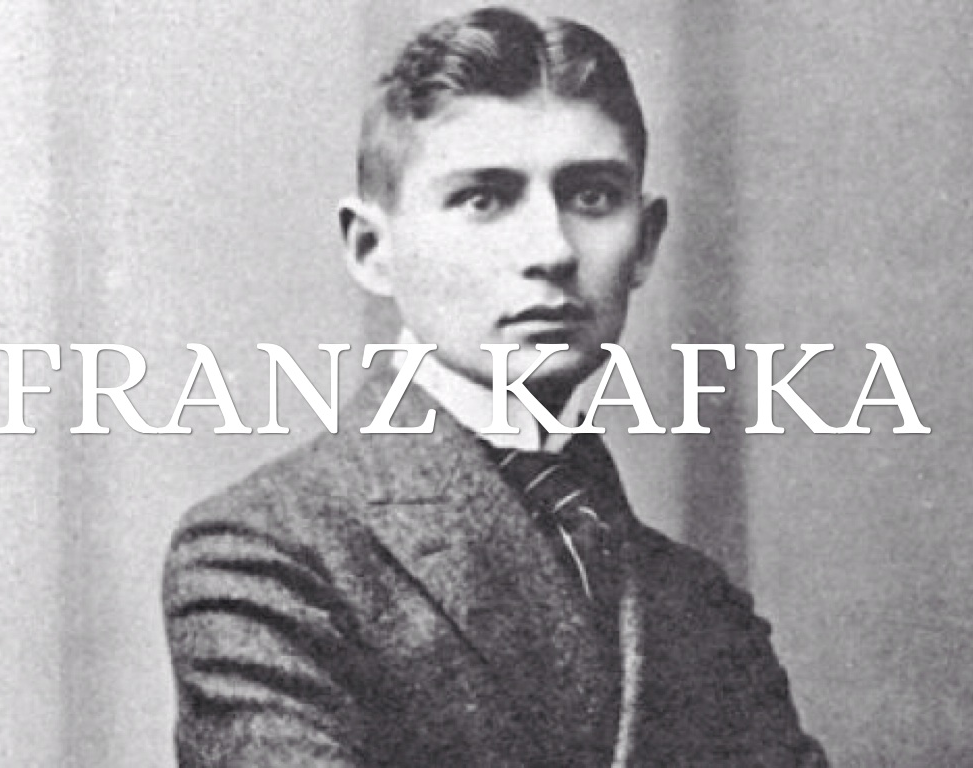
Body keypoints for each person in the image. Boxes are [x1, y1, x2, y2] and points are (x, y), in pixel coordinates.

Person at [163, 7, 828, 766]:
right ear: (373, 249)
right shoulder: (268, 553)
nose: (552, 249)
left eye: (592, 196)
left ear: (645, 243)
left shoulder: (696, 601)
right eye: (484, 198)